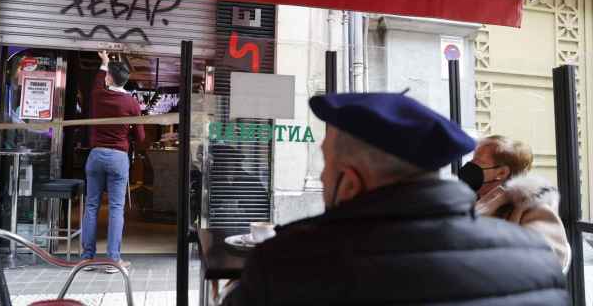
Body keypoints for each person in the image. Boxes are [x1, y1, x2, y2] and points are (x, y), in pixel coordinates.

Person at [220, 93, 568, 306]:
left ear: (351, 182)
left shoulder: (284, 267)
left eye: (327, 163)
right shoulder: (536, 259)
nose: (324, 177)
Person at [459, 135, 571, 273]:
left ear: (501, 172)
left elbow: (547, 260)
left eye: (478, 162)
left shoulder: (532, 207)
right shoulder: (466, 202)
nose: (469, 166)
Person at [81, 50, 145, 273]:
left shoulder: (99, 95)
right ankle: (112, 261)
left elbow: (98, 81)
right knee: (116, 208)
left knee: (91, 206)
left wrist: (104, 62)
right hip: (118, 157)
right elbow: (141, 137)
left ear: (109, 78)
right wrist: (126, 132)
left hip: (96, 155)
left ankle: (87, 260)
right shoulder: (131, 103)